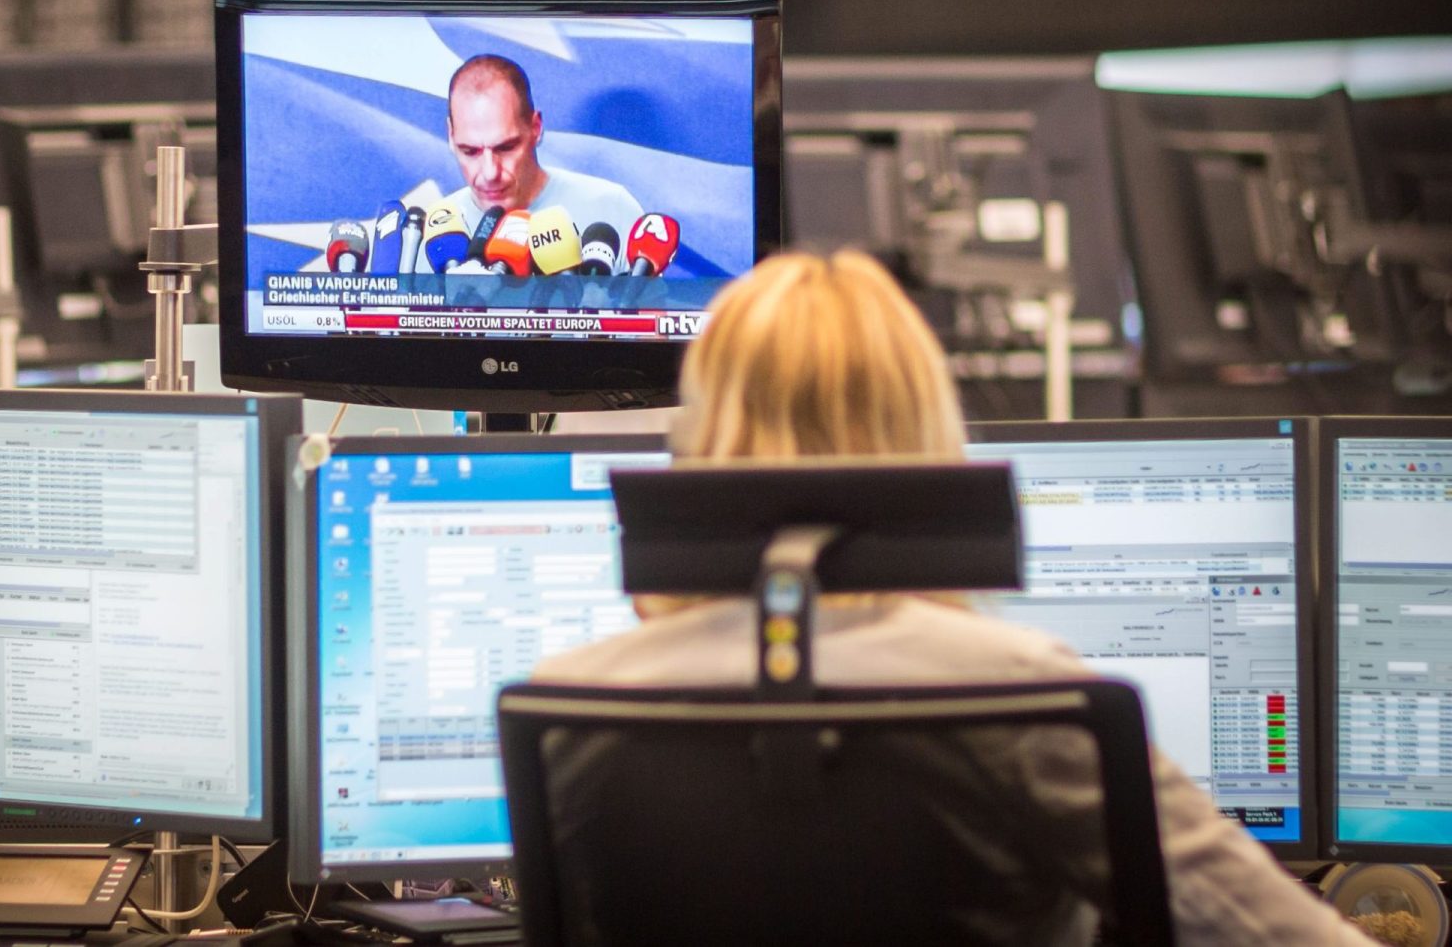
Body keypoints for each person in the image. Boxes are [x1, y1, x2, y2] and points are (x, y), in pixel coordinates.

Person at [534, 251, 1377, 946]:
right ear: (924, 431)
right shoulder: (1026, 692)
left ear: (702, 433)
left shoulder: (571, 703)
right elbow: (1280, 934)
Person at [439, 54, 643, 244]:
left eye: (506, 148)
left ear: (536, 127)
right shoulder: (436, 235)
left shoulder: (611, 209)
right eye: (470, 152)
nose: (490, 173)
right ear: (450, 135)